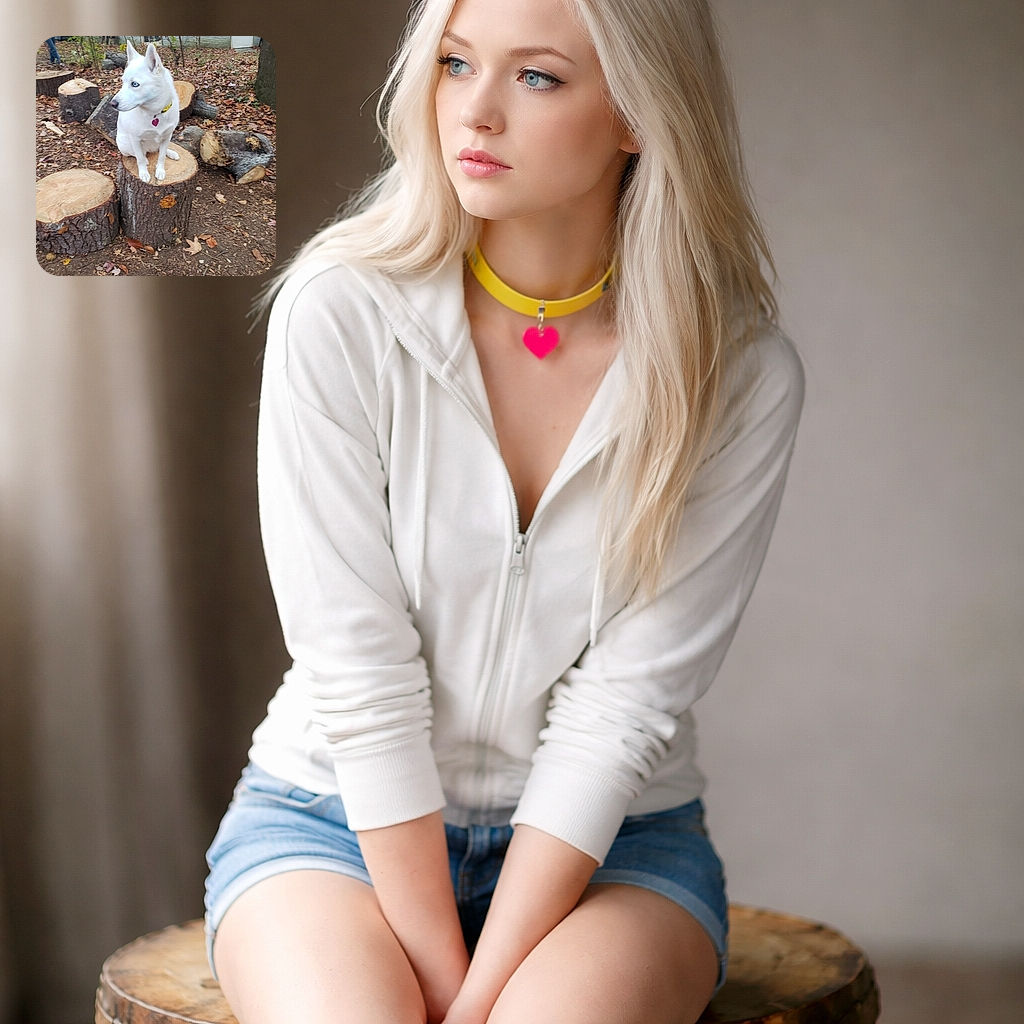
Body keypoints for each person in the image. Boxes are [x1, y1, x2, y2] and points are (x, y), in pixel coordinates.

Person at [203, 0, 804, 1021]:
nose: (472, 112)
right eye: (453, 63)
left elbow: (626, 705)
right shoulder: (339, 311)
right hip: (331, 822)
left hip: (618, 850)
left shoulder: (740, 375)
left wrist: (481, 999)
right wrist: (445, 976)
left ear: (636, 115)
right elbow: (355, 661)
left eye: (536, 77)